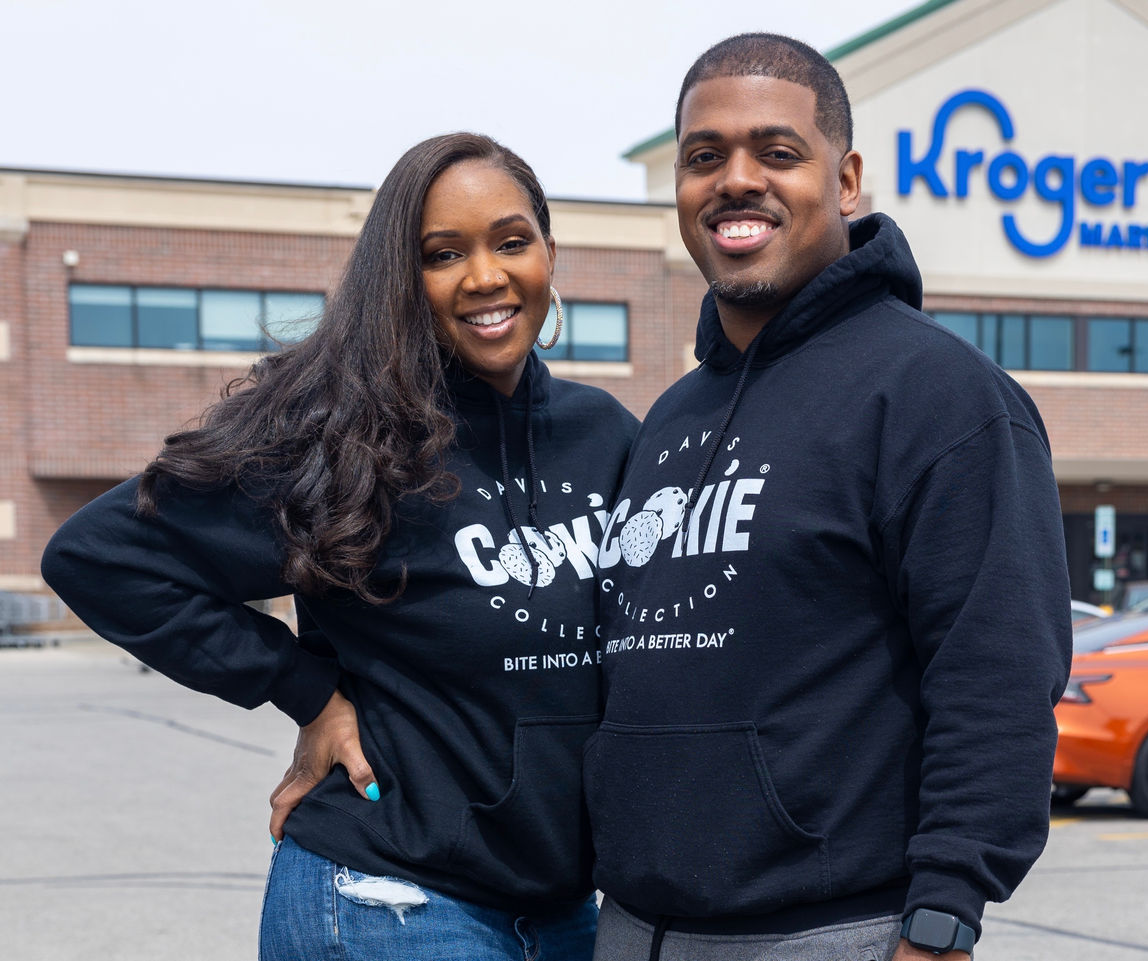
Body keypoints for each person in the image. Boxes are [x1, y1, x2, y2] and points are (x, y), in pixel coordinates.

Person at [41, 133, 638, 961]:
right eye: (442, 254)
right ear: (404, 278)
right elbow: (100, 556)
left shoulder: (605, 436)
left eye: (511, 241)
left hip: (561, 910)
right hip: (389, 895)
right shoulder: (352, 436)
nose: (485, 276)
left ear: (547, 249)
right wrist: (305, 689)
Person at [585, 34, 1072, 961]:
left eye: (776, 152)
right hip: (633, 929)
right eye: (703, 157)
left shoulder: (941, 396)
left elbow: (998, 677)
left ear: (845, 182)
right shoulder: (671, 416)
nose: (735, 180)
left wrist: (942, 921)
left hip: (833, 932)